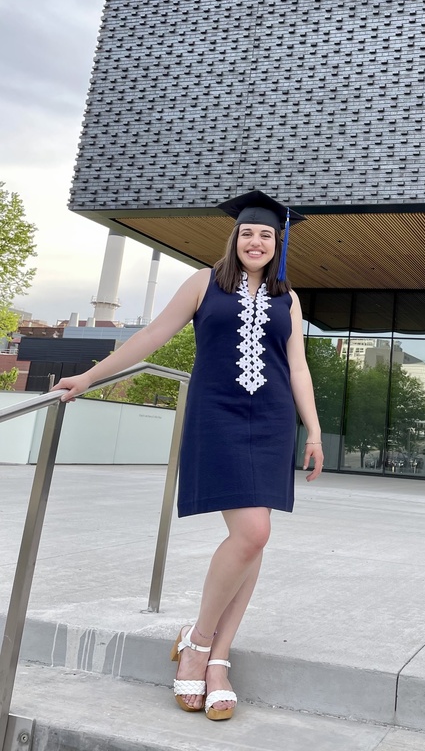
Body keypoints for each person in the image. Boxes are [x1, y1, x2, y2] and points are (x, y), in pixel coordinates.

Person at [54, 190, 323, 721]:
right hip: (216, 416)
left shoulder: (287, 298)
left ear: (277, 243)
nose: (256, 240)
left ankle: (216, 659)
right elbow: (153, 336)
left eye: (266, 234)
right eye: (248, 232)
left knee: (255, 538)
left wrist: (312, 429)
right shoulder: (204, 283)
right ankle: (198, 642)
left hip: (270, 421)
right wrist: (88, 377)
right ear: (235, 237)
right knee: (253, 534)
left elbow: (298, 368)